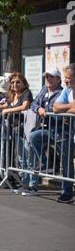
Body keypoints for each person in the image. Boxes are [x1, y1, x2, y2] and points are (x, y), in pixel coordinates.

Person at [27, 68, 64, 196]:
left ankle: (66, 190)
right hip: (41, 128)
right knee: (32, 141)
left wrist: (46, 111)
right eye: (47, 76)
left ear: (59, 79)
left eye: (51, 76)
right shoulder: (44, 89)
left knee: (65, 159)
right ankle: (33, 183)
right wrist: (39, 109)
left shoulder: (61, 92)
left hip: (58, 130)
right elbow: (33, 104)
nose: (48, 78)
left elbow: (57, 109)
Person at [52, 63, 75, 203]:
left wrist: (65, 110)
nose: (66, 80)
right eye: (65, 77)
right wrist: (70, 106)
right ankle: (67, 191)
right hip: (69, 133)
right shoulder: (67, 91)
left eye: (69, 78)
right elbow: (55, 108)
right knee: (66, 161)